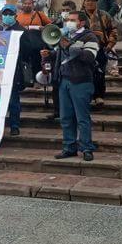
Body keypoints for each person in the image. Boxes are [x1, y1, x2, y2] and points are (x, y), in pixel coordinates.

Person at [42, 10, 99, 161]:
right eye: (67, 20)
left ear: (81, 22)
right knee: (66, 117)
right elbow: (60, 55)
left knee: (82, 118)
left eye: (72, 20)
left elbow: (89, 57)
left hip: (81, 81)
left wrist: (69, 46)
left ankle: (87, 148)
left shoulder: (90, 36)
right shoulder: (64, 36)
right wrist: (49, 55)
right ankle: (69, 147)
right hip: (64, 81)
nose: (68, 22)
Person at [0, 4, 28, 136]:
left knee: (13, 99)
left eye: (10, 14)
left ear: (15, 15)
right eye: (5, 14)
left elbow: (27, 50)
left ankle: (14, 125)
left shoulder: (21, 30)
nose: (7, 16)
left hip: (13, 69)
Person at [82, 0, 117, 108]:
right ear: (84, 3)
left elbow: (113, 30)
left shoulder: (104, 15)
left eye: (92, 1)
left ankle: (99, 96)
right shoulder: (79, 16)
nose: (90, 3)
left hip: (100, 49)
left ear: (96, 3)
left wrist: (110, 45)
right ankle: (86, 96)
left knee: (100, 73)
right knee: (85, 74)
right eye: (87, 1)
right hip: (83, 50)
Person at [47, 0, 77, 121]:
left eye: (67, 10)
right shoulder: (57, 24)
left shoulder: (77, 24)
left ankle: (70, 112)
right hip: (57, 59)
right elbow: (49, 38)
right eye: (63, 10)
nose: (65, 13)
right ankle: (57, 111)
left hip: (72, 60)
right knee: (56, 87)